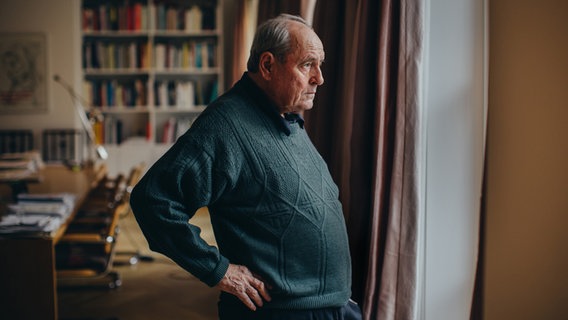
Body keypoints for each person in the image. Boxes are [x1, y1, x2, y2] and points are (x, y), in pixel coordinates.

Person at [130, 14, 361, 320]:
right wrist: (220, 270)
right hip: (280, 313)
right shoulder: (225, 125)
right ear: (267, 66)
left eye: (320, 65)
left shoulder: (285, 117)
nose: (319, 78)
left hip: (331, 305)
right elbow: (153, 201)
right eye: (307, 64)